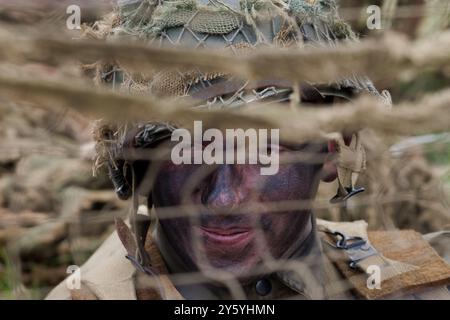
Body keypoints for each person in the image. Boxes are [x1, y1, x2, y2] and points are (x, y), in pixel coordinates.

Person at [46, 0, 450, 300]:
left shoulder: (416, 280)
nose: (223, 197)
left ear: (330, 148)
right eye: (186, 146)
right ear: (134, 160)